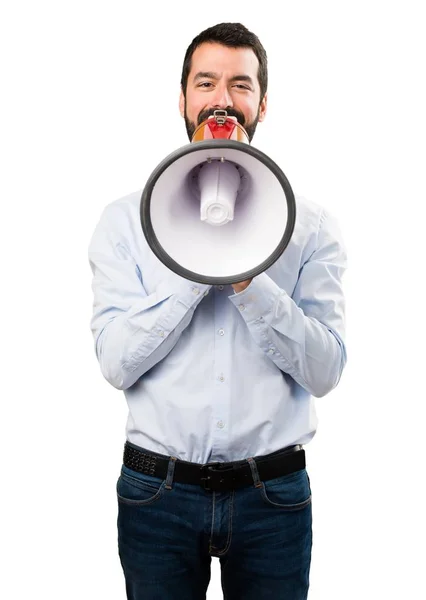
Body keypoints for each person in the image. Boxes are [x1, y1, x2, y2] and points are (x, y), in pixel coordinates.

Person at [88, 22, 347, 600]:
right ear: (182, 98)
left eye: (241, 84)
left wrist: (252, 283)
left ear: (261, 103)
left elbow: (326, 371)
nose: (222, 99)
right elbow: (115, 364)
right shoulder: (126, 223)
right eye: (206, 82)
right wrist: (193, 269)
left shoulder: (311, 228)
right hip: (156, 493)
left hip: (273, 497)